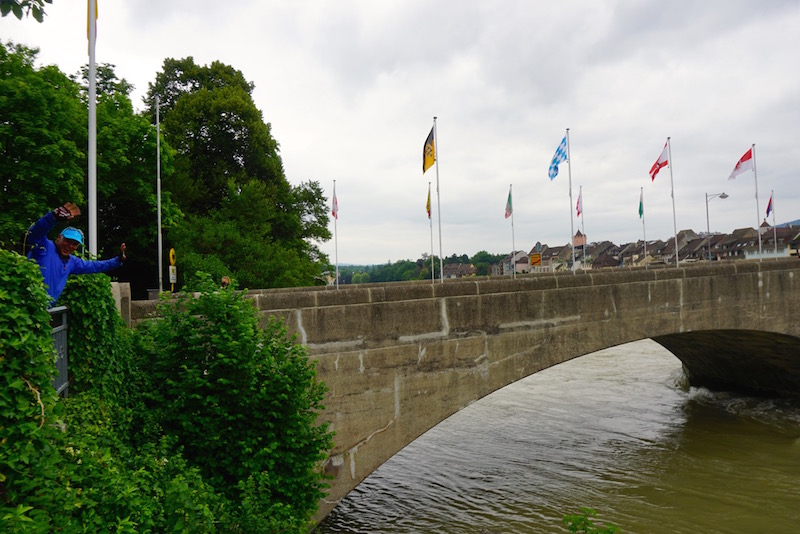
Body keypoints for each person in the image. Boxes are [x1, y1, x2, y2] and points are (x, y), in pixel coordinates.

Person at [26, 202, 126, 306]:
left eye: (75, 244)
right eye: (68, 241)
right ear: (59, 237)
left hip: (46, 311)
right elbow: (35, 233)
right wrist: (54, 217)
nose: (70, 246)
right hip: (28, 307)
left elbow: (95, 266)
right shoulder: (44, 247)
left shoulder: (72, 262)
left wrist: (118, 260)